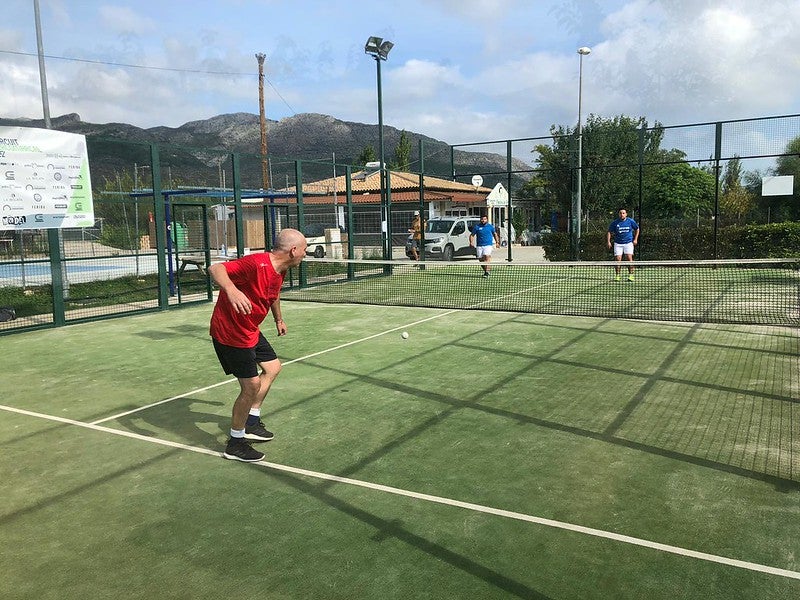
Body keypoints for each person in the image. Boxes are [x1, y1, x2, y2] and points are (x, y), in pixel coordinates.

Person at [209, 228, 307, 462]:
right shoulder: (257, 263)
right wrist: (231, 290)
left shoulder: (280, 270)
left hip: (250, 329)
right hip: (230, 332)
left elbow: (273, 295)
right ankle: (235, 443)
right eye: (304, 249)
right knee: (250, 386)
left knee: (273, 368)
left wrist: (278, 319)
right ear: (293, 251)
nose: (306, 254)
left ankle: (251, 420)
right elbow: (216, 268)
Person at [607, 208, 640, 281]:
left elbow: (637, 229)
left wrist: (635, 239)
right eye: (620, 213)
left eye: (623, 213)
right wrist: (608, 241)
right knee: (618, 260)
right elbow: (609, 231)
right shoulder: (615, 222)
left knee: (629, 259)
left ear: (626, 214)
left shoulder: (631, 221)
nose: (622, 214)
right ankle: (617, 276)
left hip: (628, 243)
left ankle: (631, 276)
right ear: (619, 214)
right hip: (618, 244)